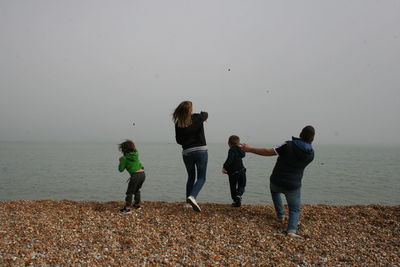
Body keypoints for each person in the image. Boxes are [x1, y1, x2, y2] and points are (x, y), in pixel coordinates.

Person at [241, 126, 315, 238]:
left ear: (300, 134)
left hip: (277, 180)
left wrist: (250, 149)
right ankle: (291, 231)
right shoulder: (311, 154)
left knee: (275, 192)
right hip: (293, 185)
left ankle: (280, 216)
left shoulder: (288, 145)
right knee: (294, 209)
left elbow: (268, 151)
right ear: (312, 139)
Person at [173, 101, 208, 212]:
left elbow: (178, 141)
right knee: (201, 177)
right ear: (190, 110)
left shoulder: (178, 123)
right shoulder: (197, 117)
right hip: (200, 150)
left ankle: (188, 203)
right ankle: (192, 196)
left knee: (191, 177)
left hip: (187, 152)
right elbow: (205, 114)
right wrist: (203, 115)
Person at [118, 140, 146, 213]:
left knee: (129, 192)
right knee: (137, 190)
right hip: (142, 174)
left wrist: (120, 161)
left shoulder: (124, 158)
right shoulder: (136, 155)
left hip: (135, 175)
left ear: (124, 149)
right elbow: (141, 166)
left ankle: (127, 208)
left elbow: (120, 169)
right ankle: (137, 204)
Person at [222, 135, 246, 207]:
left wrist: (224, 167)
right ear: (239, 143)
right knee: (242, 185)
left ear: (229, 143)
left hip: (233, 173)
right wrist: (242, 148)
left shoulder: (231, 150)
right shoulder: (240, 150)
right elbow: (243, 155)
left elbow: (230, 159)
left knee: (233, 186)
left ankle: (235, 200)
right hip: (241, 171)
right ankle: (239, 195)